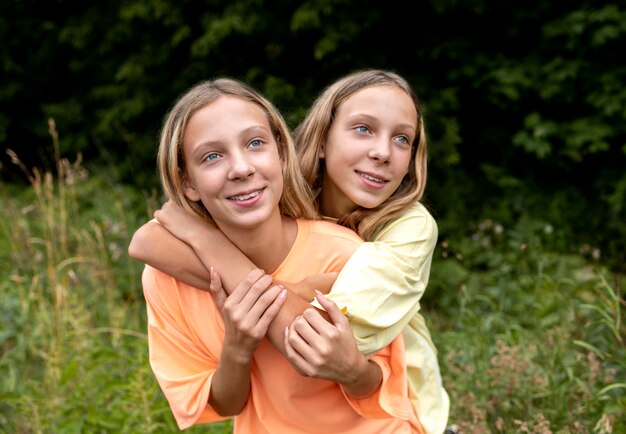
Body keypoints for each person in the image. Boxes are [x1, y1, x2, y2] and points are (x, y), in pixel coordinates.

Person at [129, 70, 449, 433]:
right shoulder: (171, 271)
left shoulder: (383, 241)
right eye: (213, 155)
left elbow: (320, 348)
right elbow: (144, 241)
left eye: (402, 139)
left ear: (280, 153)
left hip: (405, 410)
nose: (381, 152)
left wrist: (212, 248)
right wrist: (238, 344)